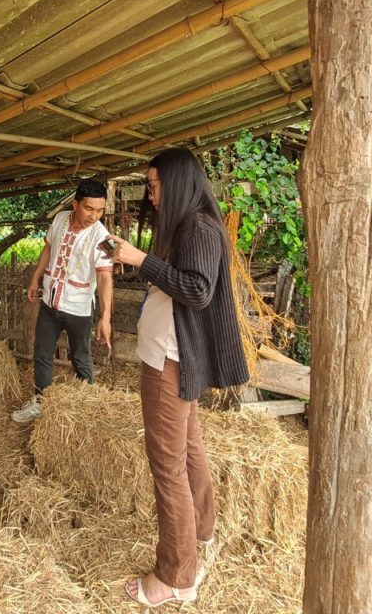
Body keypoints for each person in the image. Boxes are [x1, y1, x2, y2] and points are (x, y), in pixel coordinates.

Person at [106, 148, 248, 608]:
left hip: (169, 360)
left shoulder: (199, 227)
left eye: (154, 184)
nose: (151, 193)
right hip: (167, 354)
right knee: (187, 448)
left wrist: (140, 259)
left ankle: (176, 576)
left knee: (167, 464)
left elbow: (197, 290)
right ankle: (200, 532)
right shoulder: (192, 225)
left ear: (179, 181)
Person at [11, 179, 114, 423]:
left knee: (80, 357)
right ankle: (42, 401)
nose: (94, 216)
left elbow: (106, 276)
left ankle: (87, 404)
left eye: (100, 210)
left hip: (79, 308)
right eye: (89, 209)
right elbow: (47, 248)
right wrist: (36, 279)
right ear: (75, 203)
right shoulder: (59, 219)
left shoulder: (105, 237)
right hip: (50, 301)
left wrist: (105, 315)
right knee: (42, 353)